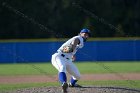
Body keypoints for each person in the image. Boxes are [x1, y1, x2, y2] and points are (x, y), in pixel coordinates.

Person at [51, 28, 90, 93]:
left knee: (77, 76)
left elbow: (72, 49)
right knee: (62, 68)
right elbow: (75, 40)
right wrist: (72, 46)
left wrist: (72, 54)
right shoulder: (79, 38)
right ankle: (64, 84)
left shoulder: (82, 43)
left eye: (88, 35)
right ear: (80, 33)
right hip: (58, 57)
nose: (86, 36)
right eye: (85, 34)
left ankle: (72, 84)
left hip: (68, 60)